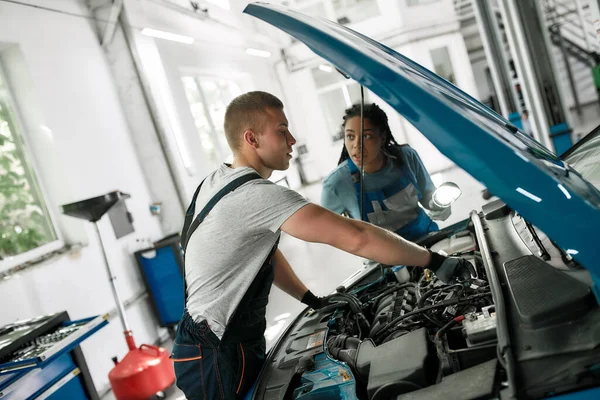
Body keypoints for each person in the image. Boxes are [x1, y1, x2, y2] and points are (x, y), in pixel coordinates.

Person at [171, 92, 472, 400]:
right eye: (281, 130)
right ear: (252, 138)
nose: (292, 140)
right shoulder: (255, 196)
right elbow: (358, 236)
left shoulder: (217, 180)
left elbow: (266, 255)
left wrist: (311, 299)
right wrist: (434, 262)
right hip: (215, 353)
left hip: (216, 344)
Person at [321, 103, 447, 242]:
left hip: (428, 240)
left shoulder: (406, 157)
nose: (357, 145)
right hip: (384, 262)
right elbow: (322, 231)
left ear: (382, 137)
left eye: (367, 136)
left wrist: (441, 206)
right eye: (350, 136)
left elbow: (429, 198)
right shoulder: (337, 183)